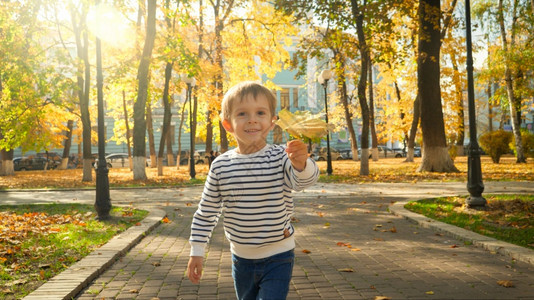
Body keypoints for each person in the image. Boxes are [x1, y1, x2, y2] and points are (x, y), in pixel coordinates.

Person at [186, 81, 320, 300]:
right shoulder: (220, 165)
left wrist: (302, 164)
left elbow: (303, 183)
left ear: (271, 122)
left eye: (260, 112)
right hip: (242, 259)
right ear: (227, 124)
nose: (252, 119)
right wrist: (197, 251)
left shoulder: (281, 156)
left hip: (279, 254)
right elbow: (206, 212)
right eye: (242, 114)